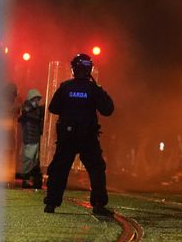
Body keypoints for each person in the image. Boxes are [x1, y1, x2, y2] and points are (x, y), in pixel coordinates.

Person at [43, 53, 114, 216]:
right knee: (96, 168)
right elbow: (108, 110)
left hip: (67, 136)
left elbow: (53, 108)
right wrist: (99, 91)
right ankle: (98, 203)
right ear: (90, 69)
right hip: (88, 136)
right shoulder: (93, 89)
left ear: (73, 69)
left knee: (59, 167)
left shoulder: (65, 87)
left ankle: (51, 203)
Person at [17, 89, 45, 189]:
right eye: (35, 99)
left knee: (33, 160)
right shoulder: (27, 109)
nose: (37, 102)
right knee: (28, 159)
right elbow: (29, 117)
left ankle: (29, 180)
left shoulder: (35, 109)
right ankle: (26, 180)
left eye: (37, 100)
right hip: (29, 138)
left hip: (34, 138)